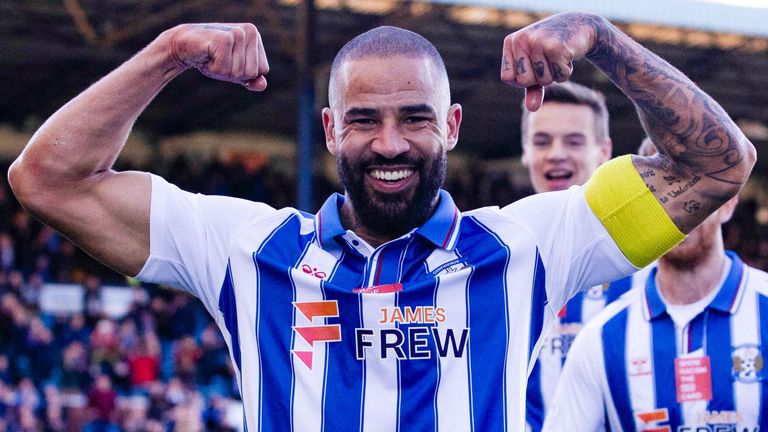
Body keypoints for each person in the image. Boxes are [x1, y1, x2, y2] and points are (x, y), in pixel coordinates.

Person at [8, 11, 755, 431]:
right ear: (330, 129)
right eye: (364, 120)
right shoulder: (247, 249)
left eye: (415, 118)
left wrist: (603, 40)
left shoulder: (527, 245)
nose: (390, 143)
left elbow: (715, 165)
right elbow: (47, 179)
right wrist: (167, 53)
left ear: (454, 125)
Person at [542, 139, 767, 431]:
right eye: (659, 192)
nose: (677, 208)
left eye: (693, 189)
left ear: (728, 204)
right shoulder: (602, 338)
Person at [519, 82, 645, 431]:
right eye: (542, 141)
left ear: (604, 153)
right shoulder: (499, 265)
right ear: (526, 152)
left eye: (574, 141)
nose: (556, 153)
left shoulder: (644, 268)